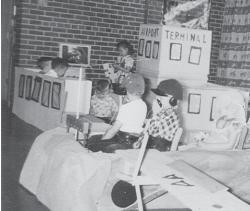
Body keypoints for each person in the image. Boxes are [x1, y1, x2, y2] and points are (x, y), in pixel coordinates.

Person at [87, 73, 147, 153]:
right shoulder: (144, 105)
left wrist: (101, 142)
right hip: (135, 139)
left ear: (127, 90)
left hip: (123, 140)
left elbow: (114, 130)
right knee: (95, 138)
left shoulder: (126, 107)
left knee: (92, 142)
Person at [147, 79, 183, 151]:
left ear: (173, 101)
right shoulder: (163, 112)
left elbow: (153, 132)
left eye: (161, 98)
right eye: (157, 97)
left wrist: (155, 113)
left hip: (159, 150)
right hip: (153, 146)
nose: (157, 100)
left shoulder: (172, 116)